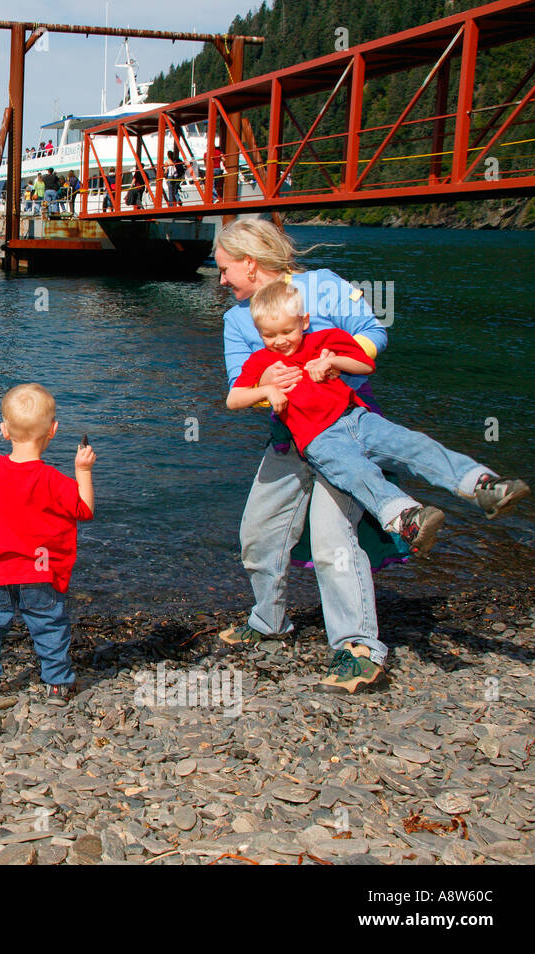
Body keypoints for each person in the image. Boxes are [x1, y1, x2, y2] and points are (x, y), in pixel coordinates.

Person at [216, 218, 400, 695]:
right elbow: (240, 384)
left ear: (250, 264)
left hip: (345, 432)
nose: (221, 280)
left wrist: (331, 365)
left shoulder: (325, 287)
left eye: (225, 269)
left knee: (333, 540)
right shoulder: (236, 320)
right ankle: (268, 621)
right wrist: (266, 389)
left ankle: (360, 650)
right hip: (290, 438)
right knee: (257, 534)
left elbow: (373, 333)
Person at [230, 280, 529, 555]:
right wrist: (266, 389)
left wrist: (333, 360)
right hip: (319, 439)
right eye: (268, 335)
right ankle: (406, 518)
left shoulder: (324, 340)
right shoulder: (262, 361)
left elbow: (364, 365)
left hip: (358, 418)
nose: (279, 341)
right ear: (259, 332)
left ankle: (481, 485)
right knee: (356, 473)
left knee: (414, 445)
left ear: (304, 321)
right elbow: (234, 399)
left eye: (286, 331)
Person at [0, 384, 95, 703]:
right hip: (41, 571)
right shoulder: (55, 481)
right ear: (53, 430)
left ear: (4, 431)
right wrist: (83, 470)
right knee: (49, 626)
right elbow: (85, 510)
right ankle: (58, 683)